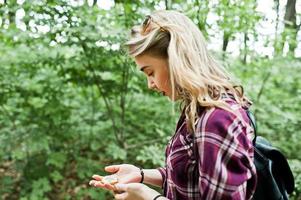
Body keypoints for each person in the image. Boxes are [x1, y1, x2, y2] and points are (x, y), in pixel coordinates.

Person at [89, 10, 257, 200]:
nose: (150, 84)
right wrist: (141, 174)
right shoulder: (198, 109)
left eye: (150, 72)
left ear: (176, 61)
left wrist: (148, 197)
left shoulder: (216, 119)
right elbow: (190, 177)